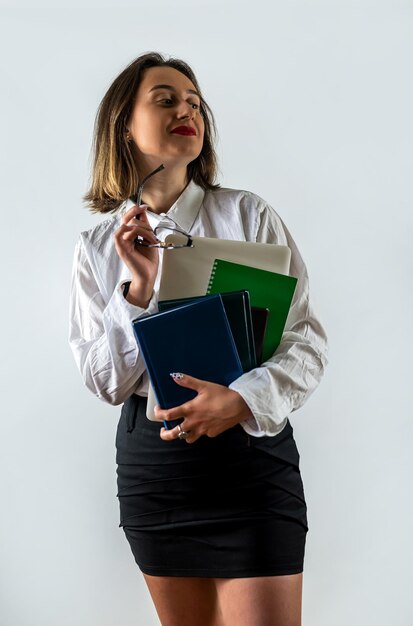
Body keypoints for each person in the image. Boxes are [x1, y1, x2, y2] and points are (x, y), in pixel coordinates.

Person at [69, 52, 328, 626]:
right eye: (165, 99)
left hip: (251, 460)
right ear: (123, 125)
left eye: (194, 103)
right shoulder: (96, 247)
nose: (187, 110)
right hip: (156, 470)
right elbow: (105, 383)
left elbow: (306, 342)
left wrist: (242, 400)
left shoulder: (247, 216)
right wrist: (136, 288)